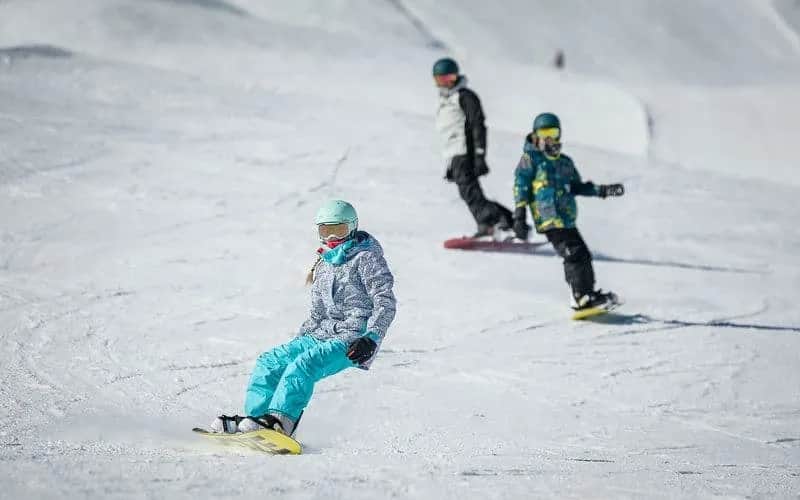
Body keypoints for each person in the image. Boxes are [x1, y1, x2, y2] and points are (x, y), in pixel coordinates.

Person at [210, 200, 397, 436]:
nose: (331, 236)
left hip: (353, 338)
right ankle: (257, 420)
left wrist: (371, 337)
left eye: (338, 230)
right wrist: (299, 342)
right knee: (270, 363)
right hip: (320, 334)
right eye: (324, 230)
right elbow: (318, 312)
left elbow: (385, 301)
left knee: (304, 365)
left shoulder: (366, 258)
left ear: (352, 227)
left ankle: (281, 424)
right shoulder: (324, 262)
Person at [512, 112, 625, 310]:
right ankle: (580, 296)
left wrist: (603, 191)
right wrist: (519, 214)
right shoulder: (531, 159)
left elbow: (577, 187)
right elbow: (520, 184)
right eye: (544, 133)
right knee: (573, 253)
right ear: (536, 135)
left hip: (566, 218)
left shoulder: (565, 162)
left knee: (583, 254)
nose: (549, 139)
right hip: (548, 218)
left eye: (553, 133)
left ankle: (588, 294)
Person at [432, 57, 513, 238]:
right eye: (440, 80)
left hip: (465, 152)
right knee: (469, 192)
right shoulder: (446, 100)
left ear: (456, 77)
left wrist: (479, 154)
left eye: (449, 78)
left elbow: (478, 125)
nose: (445, 83)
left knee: (469, 192)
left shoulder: (464, 96)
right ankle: (490, 224)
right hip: (454, 154)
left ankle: (503, 221)